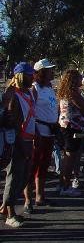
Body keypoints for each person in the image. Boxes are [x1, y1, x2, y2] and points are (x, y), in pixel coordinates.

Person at [0, 62, 36, 228]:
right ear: (21, 75)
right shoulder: (11, 94)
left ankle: (5, 208)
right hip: (16, 142)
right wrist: (20, 143)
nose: (32, 77)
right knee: (14, 177)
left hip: (29, 139)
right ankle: (10, 213)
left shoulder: (28, 93)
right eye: (29, 74)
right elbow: (11, 122)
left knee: (24, 177)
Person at [23, 59, 58, 212]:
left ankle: (40, 196)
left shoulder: (50, 88)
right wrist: (35, 132)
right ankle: (27, 200)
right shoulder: (34, 89)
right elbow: (30, 111)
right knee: (32, 166)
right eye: (49, 70)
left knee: (44, 165)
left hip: (50, 132)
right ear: (41, 72)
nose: (52, 72)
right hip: (38, 131)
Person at [57, 70, 84, 197]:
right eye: (78, 78)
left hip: (66, 127)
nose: (81, 80)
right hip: (72, 128)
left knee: (67, 157)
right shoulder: (73, 94)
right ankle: (65, 187)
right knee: (70, 159)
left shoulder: (65, 93)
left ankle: (61, 184)